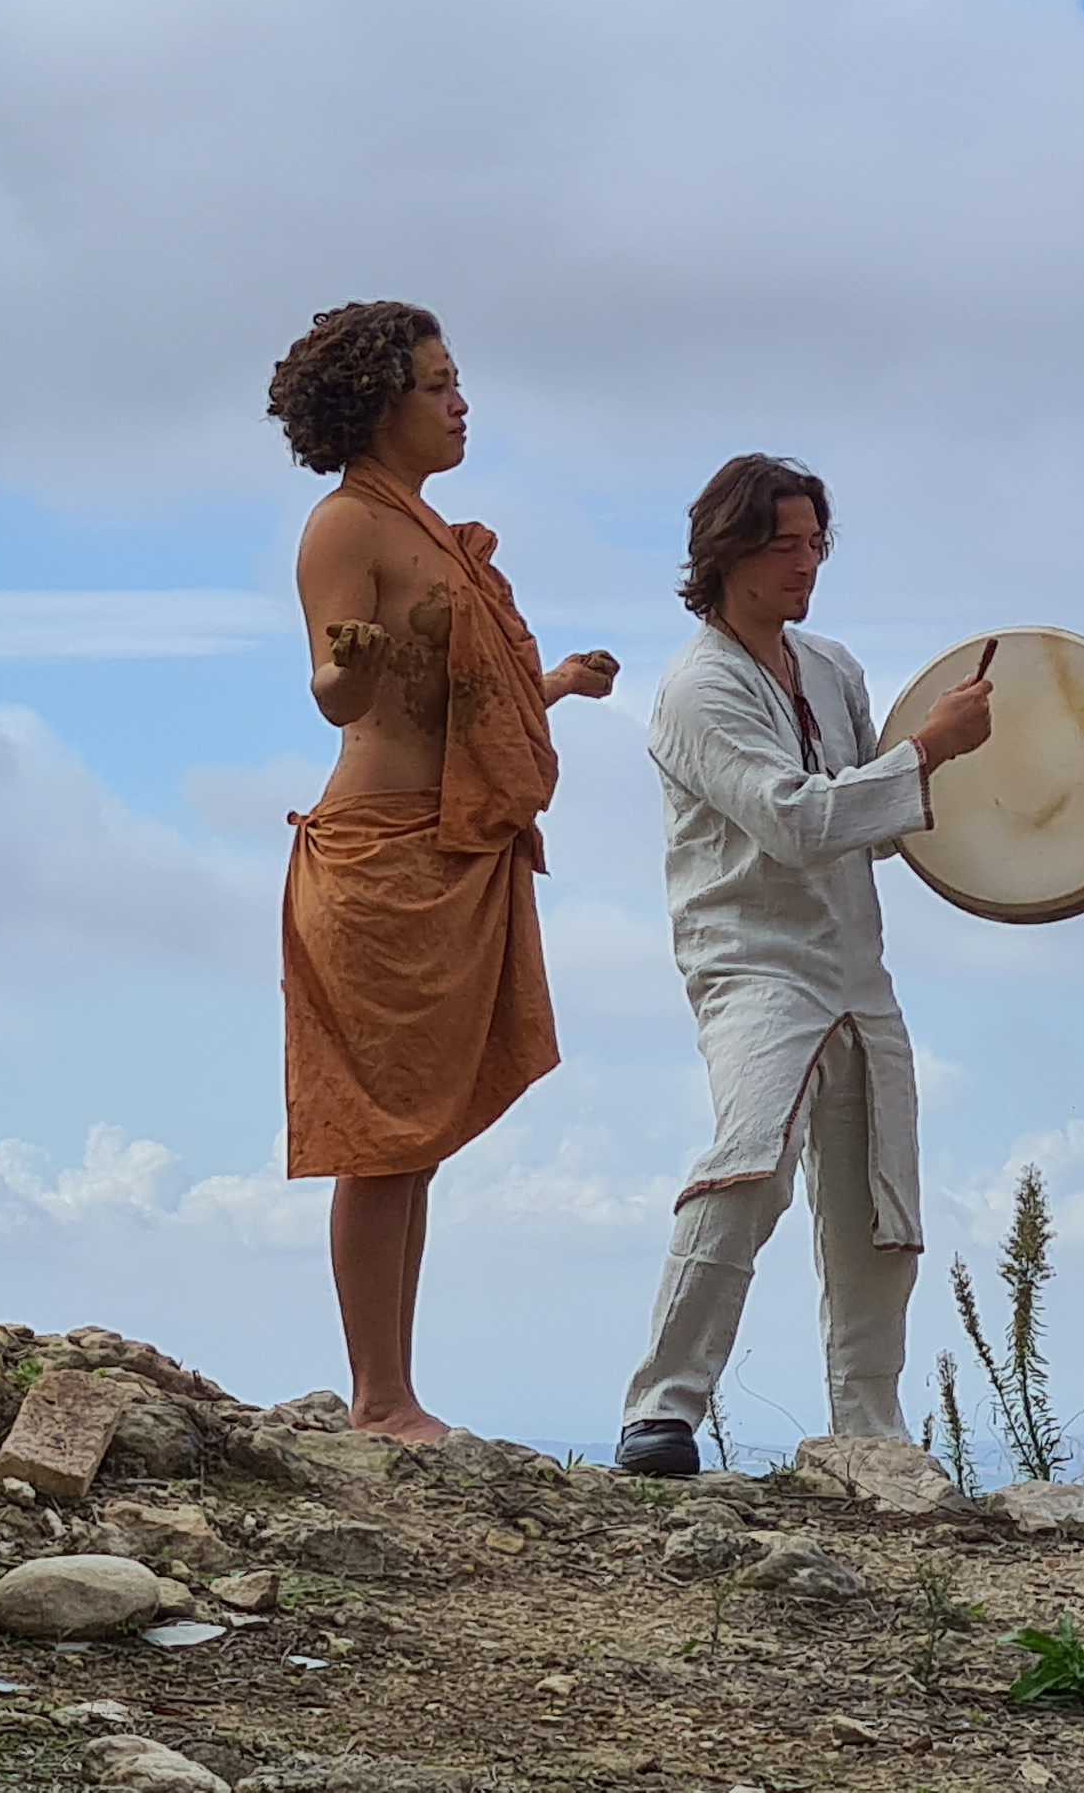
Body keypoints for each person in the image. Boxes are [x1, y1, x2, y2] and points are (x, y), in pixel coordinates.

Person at [271, 301, 619, 1444]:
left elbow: (466, 696)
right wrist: (346, 673)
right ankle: (378, 1397)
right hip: (381, 858)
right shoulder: (345, 527)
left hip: (455, 847)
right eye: (436, 383)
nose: (459, 401)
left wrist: (554, 681)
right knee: (381, 1134)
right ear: (378, 404)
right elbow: (340, 689)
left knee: (412, 1142)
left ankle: (397, 1388)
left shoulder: (427, 528)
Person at [613, 454, 995, 1477]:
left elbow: (867, 820)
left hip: (854, 962)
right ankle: (661, 1408)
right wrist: (930, 753)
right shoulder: (698, 687)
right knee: (747, 1162)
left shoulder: (830, 668)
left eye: (814, 542)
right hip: (754, 960)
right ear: (727, 549)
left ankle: (869, 1428)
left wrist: (968, 782)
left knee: (884, 1197)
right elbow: (796, 819)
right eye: (783, 542)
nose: (804, 563)